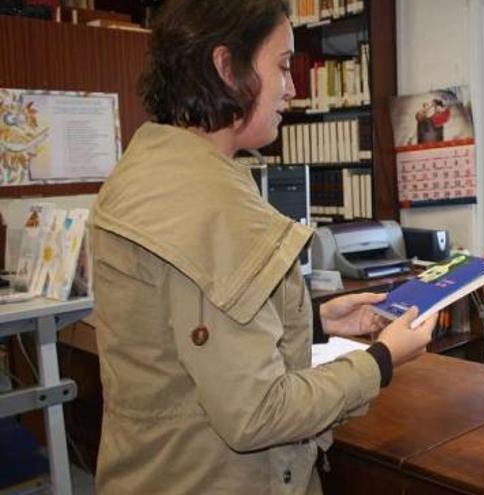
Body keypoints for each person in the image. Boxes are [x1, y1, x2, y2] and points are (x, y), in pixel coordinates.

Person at [88, 1, 435, 493]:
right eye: (282, 65)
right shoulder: (210, 203)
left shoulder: (146, 168)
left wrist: (315, 322)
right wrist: (381, 360)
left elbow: (188, 336)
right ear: (227, 68)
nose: (292, 88)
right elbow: (257, 413)